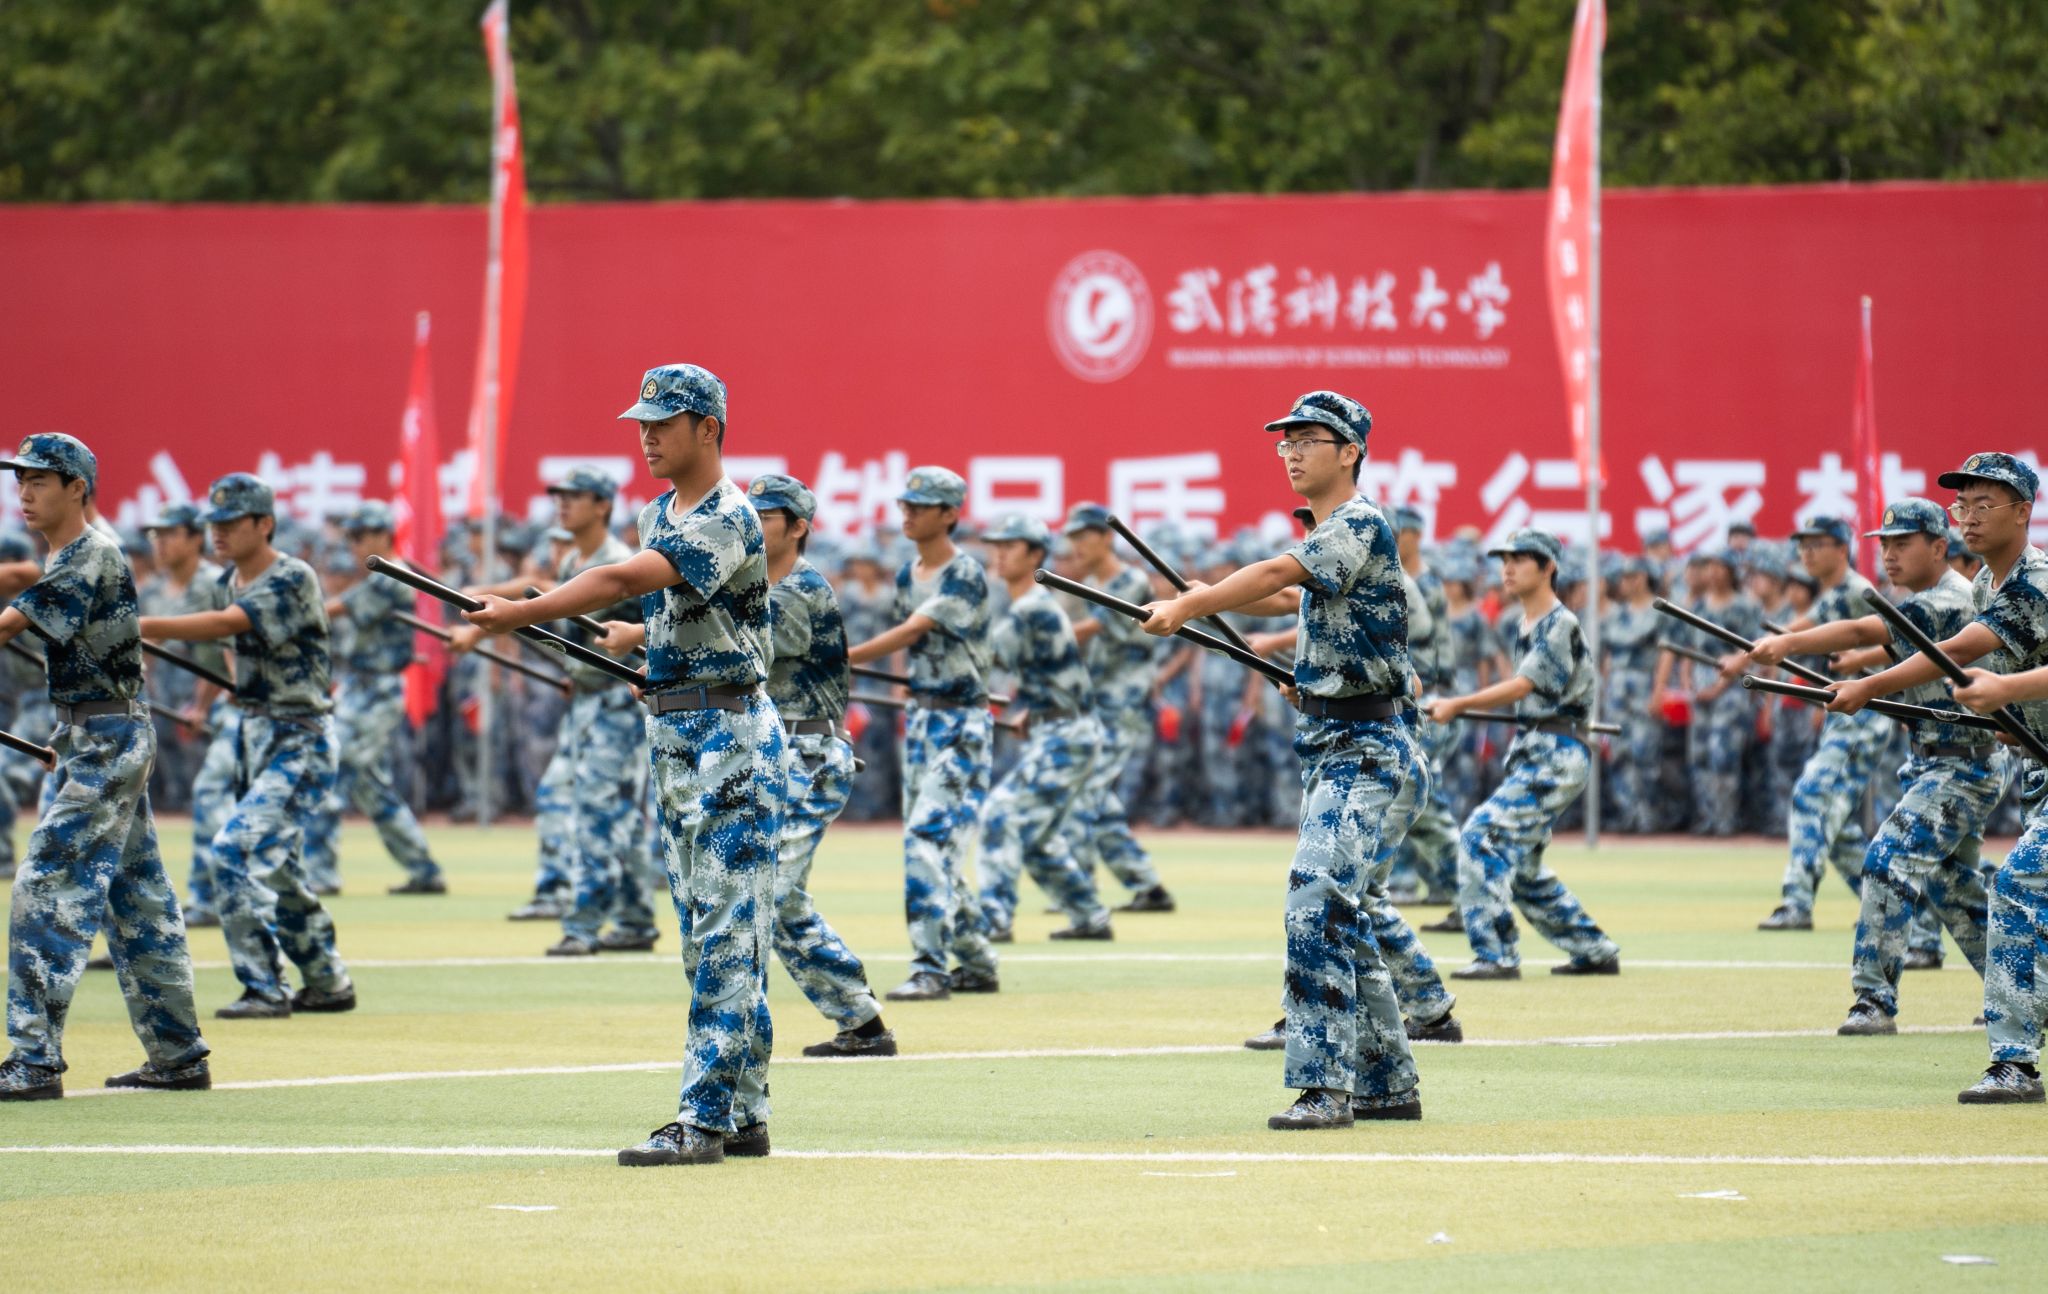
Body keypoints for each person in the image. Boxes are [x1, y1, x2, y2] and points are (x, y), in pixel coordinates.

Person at [467, 362, 784, 1163]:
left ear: (708, 428)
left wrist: (524, 612)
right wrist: (651, 656)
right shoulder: (657, 512)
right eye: (642, 423)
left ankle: (702, 1119)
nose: (646, 437)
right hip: (676, 734)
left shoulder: (728, 513)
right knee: (705, 934)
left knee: (727, 931)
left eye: (663, 423)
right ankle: (743, 1110)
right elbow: (678, 613)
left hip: (729, 738)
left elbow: (620, 577)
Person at [1140, 390, 1425, 1129]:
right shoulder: (1331, 534)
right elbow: (1286, 601)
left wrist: (1190, 607)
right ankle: (1387, 1082)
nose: (1291, 451)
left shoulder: (1357, 522)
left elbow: (1274, 576)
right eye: (1285, 441)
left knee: (1314, 900)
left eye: (1308, 439)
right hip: (1334, 740)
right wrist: (1209, 597)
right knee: (1342, 910)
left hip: (1364, 745)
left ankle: (1326, 1086)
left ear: (1350, 451)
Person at [0, 434, 211, 1098]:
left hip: (107, 738)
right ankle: (178, 1055)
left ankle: (34, 1059)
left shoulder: (90, 554)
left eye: (39, 481)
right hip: (96, 734)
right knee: (137, 899)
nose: (24, 492)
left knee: (44, 885)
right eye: (21, 480)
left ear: (77, 489)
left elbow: (8, 625)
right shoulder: (67, 553)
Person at [1832, 454, 2048, 1103]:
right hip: (2036, 770)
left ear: (2023, 511)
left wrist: (1868, 685)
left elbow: (1954, 653)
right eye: (1963, 505)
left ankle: (2014, 1061)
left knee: (2016, 887)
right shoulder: (1986, 585)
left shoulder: (2035, 581)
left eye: (1985, 504)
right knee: (1982, 887)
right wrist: (2015, 721)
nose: (1970, 517)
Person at [1739, 499, 1994, 1036]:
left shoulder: (1947, 599)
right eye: (1885, 545)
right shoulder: (1926, 600)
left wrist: (1789, 643)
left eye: (1903, 544)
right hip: (1937, 762)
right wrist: (1850, 666)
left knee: (1886, 858)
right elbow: (1881, 642)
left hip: (1961, 767)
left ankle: (1874, 999)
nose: (1889, 555)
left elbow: (1862, 631)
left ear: (1939, 547)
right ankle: (2027, 991)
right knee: (1954, 887)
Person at [140, 473, 354, 1019]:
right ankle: (328, 981)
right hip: (252, 731)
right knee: (278, 867)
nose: (219, 532)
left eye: (232, 523)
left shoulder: (292, 577)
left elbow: (229, 623)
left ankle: (264, 985)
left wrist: (138, 625)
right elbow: (224, 646)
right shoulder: (225, 581)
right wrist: (210, 694)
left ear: (264, 524)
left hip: (299, 737)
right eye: (215, 523)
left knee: (234, 850)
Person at [1426, 528, 1621, 981]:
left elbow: (1523, 687)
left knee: (1481, 835)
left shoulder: (1560, 623)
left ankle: (1496, 954)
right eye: (1504, 560)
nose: (1508, 569)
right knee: (1524, 868)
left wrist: (1458, 704)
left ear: (1548, 567)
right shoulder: (1526, 623)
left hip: (1557, 752)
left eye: (1520, 559)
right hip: (1537, 748)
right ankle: (1592, 948)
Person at [749, 473, 895, 1058]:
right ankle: (861, 1022)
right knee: (778, 897)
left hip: (809, 757)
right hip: (771, 752)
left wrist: (654, 647)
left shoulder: (800, 590)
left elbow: (744, 648)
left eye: (765, 516)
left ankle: (856, 1021)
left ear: (798, 527)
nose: (752, 523)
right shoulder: (756, 585)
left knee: (771, 892)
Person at [846, 467, 1001, 1002]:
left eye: (919, 505)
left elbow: (915, 629)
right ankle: (977, 961)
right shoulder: (907, 575)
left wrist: (843, 659)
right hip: (922, 718)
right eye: (905, 504)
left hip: (960, 722)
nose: (907, 513)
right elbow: (909, 647)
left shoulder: (965, 572)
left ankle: (930, 966)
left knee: (924, 839)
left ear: (950, 514)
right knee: (936, 846)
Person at [975, 514, 1115, 942]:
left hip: (1066, 735)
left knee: (1000, 814)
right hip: (1062, 728)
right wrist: (1032, 713)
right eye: (997, 546)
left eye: (1010, 546)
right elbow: (1052, 676)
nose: (999, 554)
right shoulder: (1028, 606)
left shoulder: (1032, 608)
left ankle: (993, 920)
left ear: (1036, 554)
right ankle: (1089, 916)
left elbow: (983, 659)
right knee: (1035, 834)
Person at [299, 501, 448, 897]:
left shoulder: (392, 576)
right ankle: (424, 870)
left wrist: (287, 616)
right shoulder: (383, 575)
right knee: (373, 791)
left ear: (384, 535)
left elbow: (337, 608)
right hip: (361, 686)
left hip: (376, 691)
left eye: (361, 536)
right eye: (351, 537)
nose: (354, 544)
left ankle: (321, 874)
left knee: (332, 771)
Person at [1758, 518, 1887, 929]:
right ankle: (1886, 908)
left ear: (1841, 548)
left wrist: (1780, 644)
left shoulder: (1857, 592)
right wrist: (1750, 653)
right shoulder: (1833, 594)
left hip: (1867, 713)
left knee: (1812, 795)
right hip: (1847, 714)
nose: (1807, 553)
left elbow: (1892, 646)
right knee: (1838, 823)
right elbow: (1799, 628)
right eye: (1803, 545)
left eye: (1817, 544)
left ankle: (1797, 902)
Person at [1062, 503, 1174, 910]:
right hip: (1097, 700)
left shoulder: (1130, 580)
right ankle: (1136, 886)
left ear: (1106, 537)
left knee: (1088, 791)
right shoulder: (1093, 580)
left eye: (1083, 536)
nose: (1076, 545)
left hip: (1123, 703)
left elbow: (1093, 628)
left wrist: (1041, 637)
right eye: (1072, 538)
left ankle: (1092, 889)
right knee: (1089, 793)